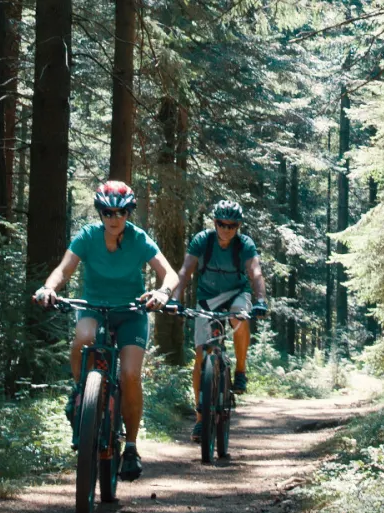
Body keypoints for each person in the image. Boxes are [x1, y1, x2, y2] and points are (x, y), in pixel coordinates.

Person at [33, 180, 179, 482]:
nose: (114, 218)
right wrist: (49, 288)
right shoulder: (88, 236)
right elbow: (64, 269)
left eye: (121, 212)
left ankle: (131, 447)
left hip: (130, 313)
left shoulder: (139, 239)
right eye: (108, 212)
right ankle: (80, 393)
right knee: (84, 337)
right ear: (100, 212)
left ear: (129, 213)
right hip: (94, 308)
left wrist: (163, 292)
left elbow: (169, 273)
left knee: (130, 374)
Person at [172, 200, 268, 442]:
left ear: (238, 226)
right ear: (214, 223)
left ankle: (240, 369)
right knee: (200, 356)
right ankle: (200, 419)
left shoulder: (244, 245)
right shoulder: (202, 241)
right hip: (208, 298)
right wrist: (175, 299)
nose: (226, 229)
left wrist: (260, 300)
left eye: (232, 225)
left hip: (237, 294)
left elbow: (255, 272)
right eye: (222, 224)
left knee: (239, 316)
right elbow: (185, 271)